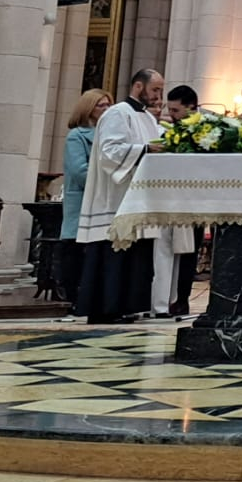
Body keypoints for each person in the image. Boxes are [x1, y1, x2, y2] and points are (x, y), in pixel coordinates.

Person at [77, 69, 166, 323]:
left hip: (139, 198)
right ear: (139, 86)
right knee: (112, 256)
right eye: (155, 89)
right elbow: (110, 152)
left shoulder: (149, 119)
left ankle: (126, 306)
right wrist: (146, 149)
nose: (159, 96)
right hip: (114, 198)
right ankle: (106, 309)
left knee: (135, 257)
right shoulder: (117, 113)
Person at [56, 89, 109, 320]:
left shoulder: (107, 136)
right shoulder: (77, 136)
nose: (106, 110)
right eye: (101, 106)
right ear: (89, 109)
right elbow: (79, 171)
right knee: (75, 252)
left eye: (108, 105)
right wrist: (108, 183)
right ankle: (72, 297)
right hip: (83, 199)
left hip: (102, 201)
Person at [161, 85, 203, 317]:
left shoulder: (206, 131)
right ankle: (163, 297)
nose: (172, 116)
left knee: (188, 252)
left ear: (191, 108)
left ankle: (181, 298)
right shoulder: (169, 130)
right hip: (168, 200)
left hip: (194, 202)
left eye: (176, 110)